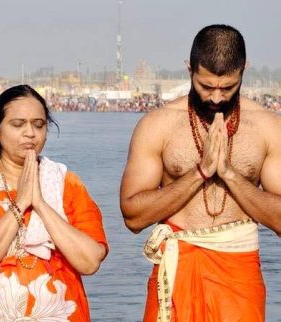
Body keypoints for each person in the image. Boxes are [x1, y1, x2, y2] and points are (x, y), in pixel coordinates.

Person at [120, 24, 281, 322]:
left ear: (244, 69)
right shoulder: (158, 125)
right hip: (178, 266)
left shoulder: (268, 128)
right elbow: (133, 216)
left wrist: (231, 175)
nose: (217, 98)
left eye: (228, 87)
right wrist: (199, 173)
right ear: (189, 69)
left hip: (239, 274)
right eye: (206, 86)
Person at [0, 84, 108, 321]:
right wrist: (19, 206)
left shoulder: (66, 183)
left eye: (38, 125)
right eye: (18, 124)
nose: (30, 133)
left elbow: (89, 262)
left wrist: (39, 203)